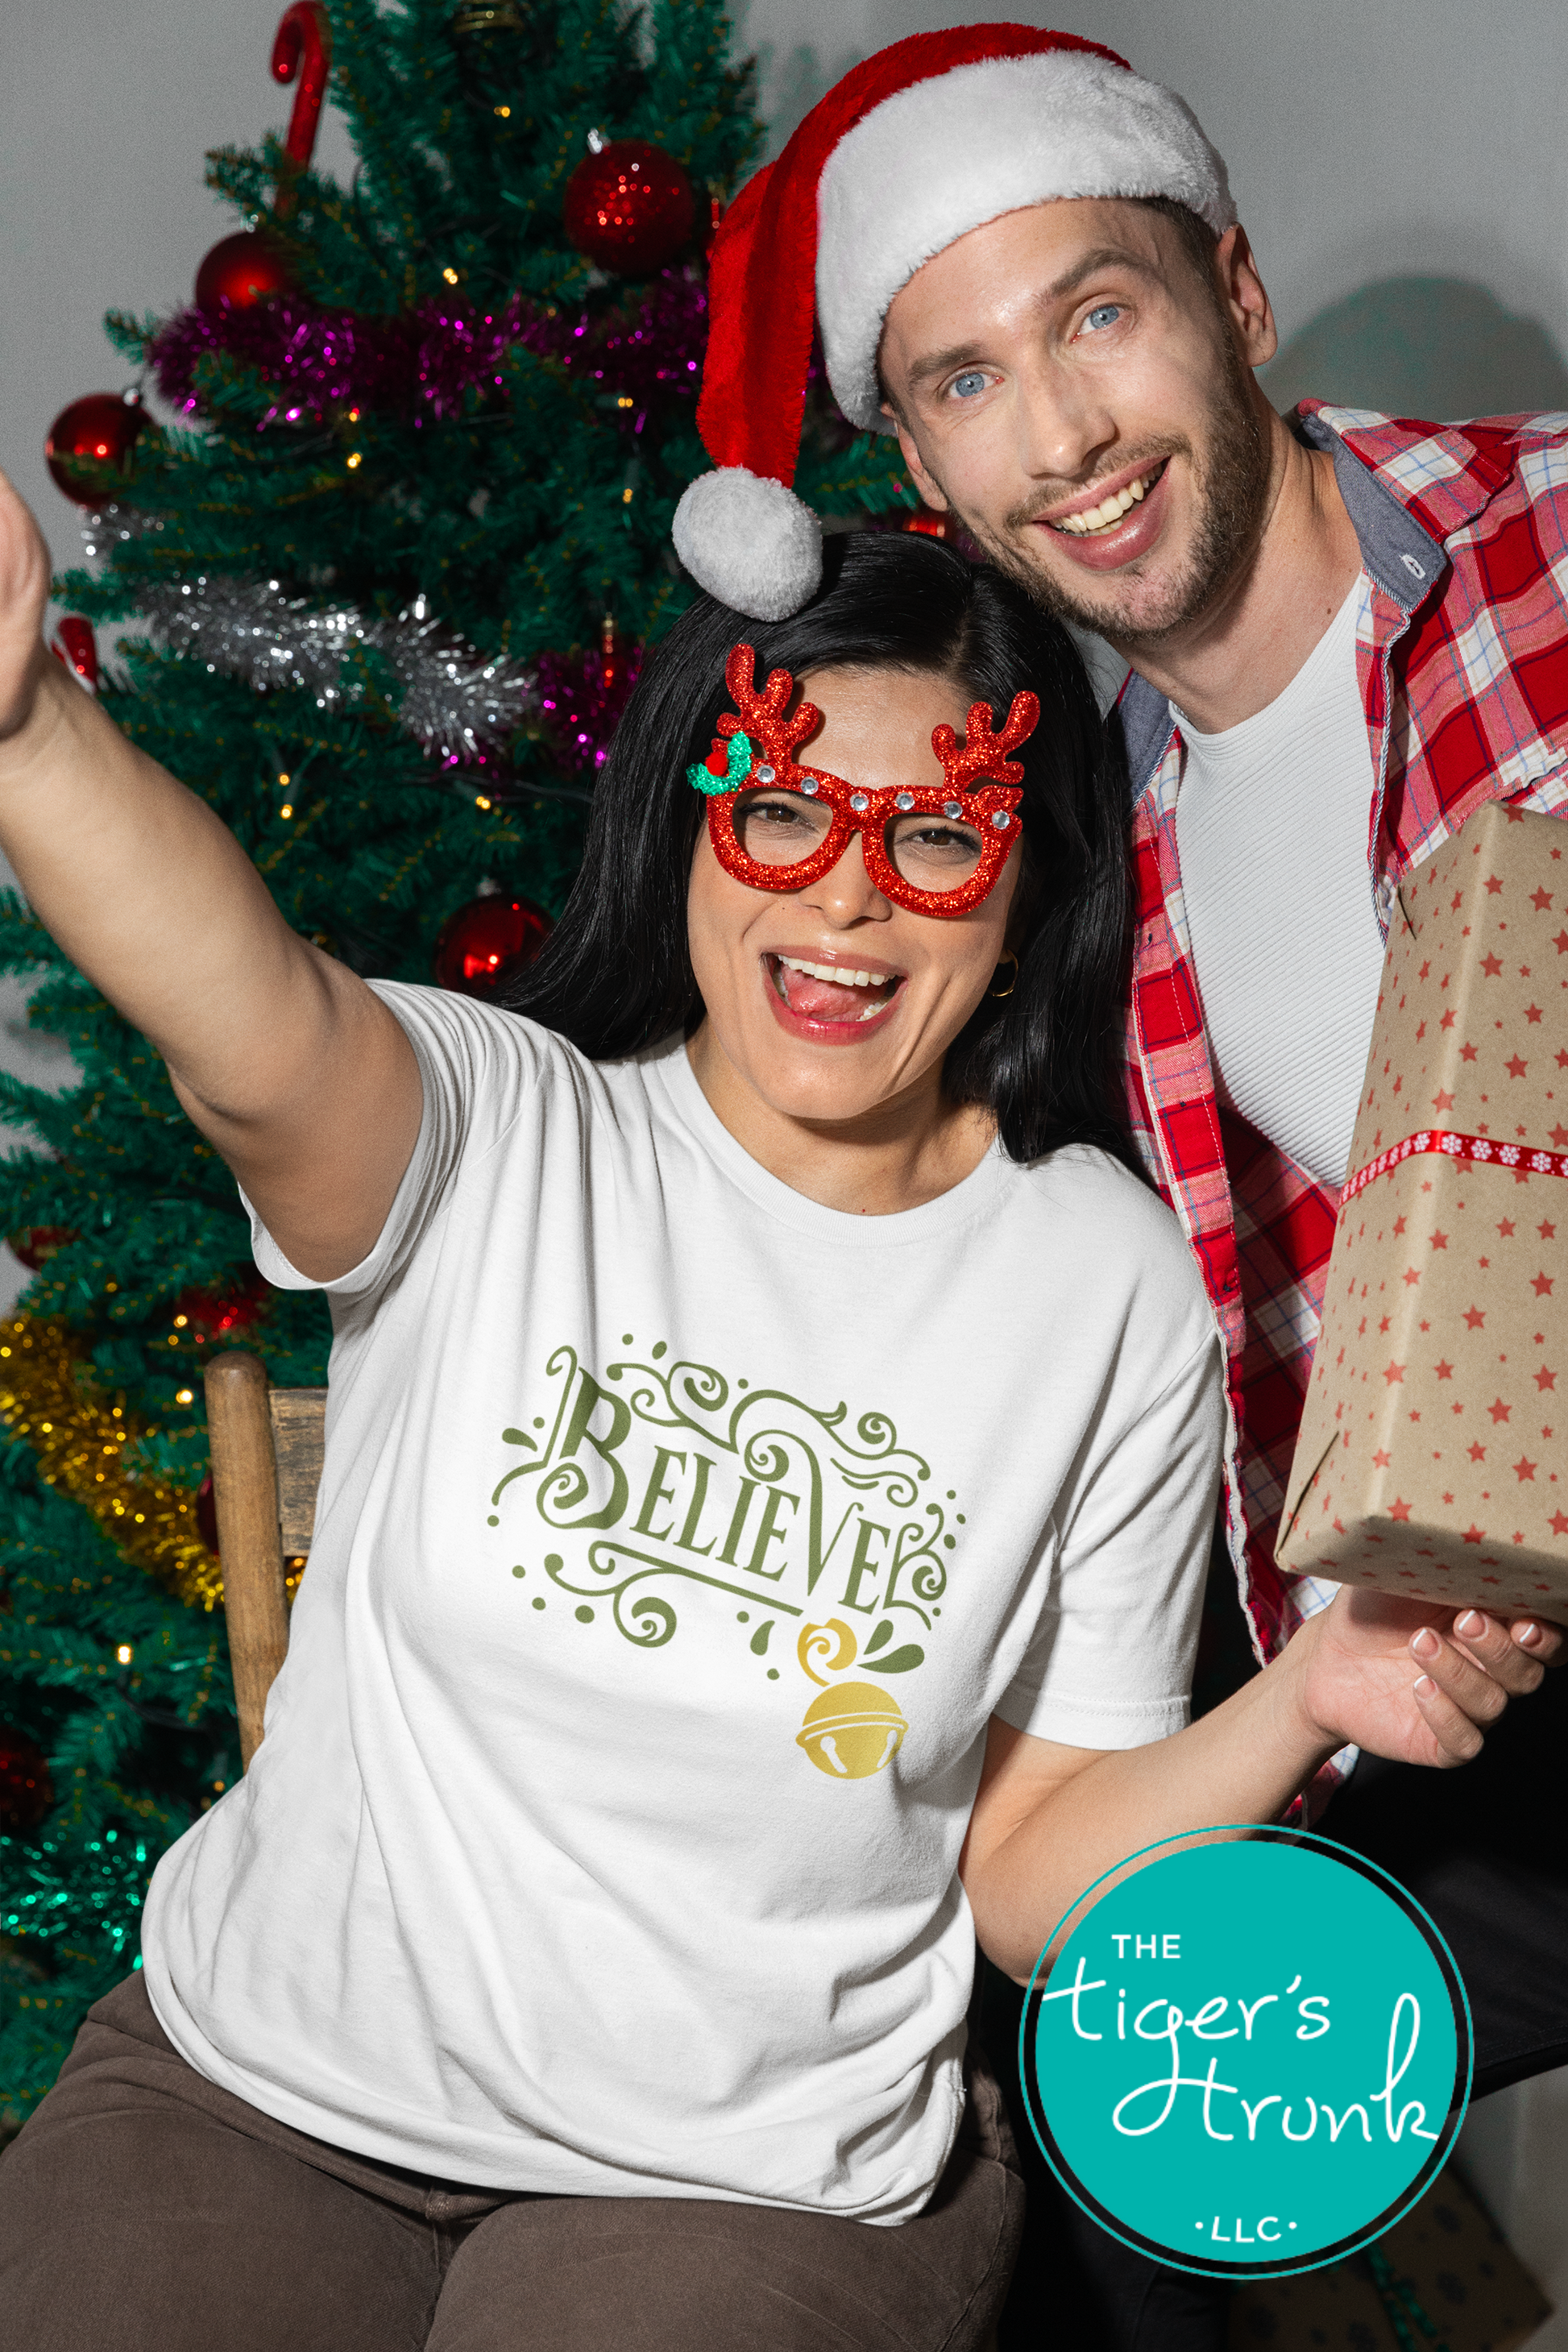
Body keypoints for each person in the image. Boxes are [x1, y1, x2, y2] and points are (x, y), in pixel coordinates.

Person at [0, 478, 1551, 2346]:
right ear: (691, 831)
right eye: (787, 807)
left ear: (1031, 884)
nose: (840, 893)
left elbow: (1033, 1876)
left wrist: (1313, 1691)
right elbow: (247, 1024)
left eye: (935, 840)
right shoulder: (506, 1130)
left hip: (743, 2185)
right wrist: (27, 723)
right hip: (254, 2093)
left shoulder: (1100, 1289)